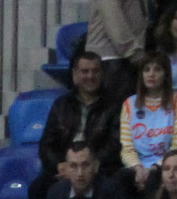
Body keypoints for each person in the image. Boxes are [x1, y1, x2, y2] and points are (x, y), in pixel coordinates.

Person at [118, 51, 177, 199]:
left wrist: (154, 168)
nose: (151, 74)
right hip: (138, 166)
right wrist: (138, 168)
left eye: (157, 69)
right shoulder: (129, 104)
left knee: (154, 179)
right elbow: (127, 148)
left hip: (169, 165)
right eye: (147, 70)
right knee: (119, 180)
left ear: (166, 74)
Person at [38, 51, 122, 180]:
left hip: (100, 170)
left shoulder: (114, 106)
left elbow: (115, 145)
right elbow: (46, 144)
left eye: (95, 71)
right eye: (85, 71)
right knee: (37, 188)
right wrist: (61, 165)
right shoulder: (61, 105)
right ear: (74, 74)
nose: (90, 76)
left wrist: (87, 165)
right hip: (64, 168)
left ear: (102, 74)